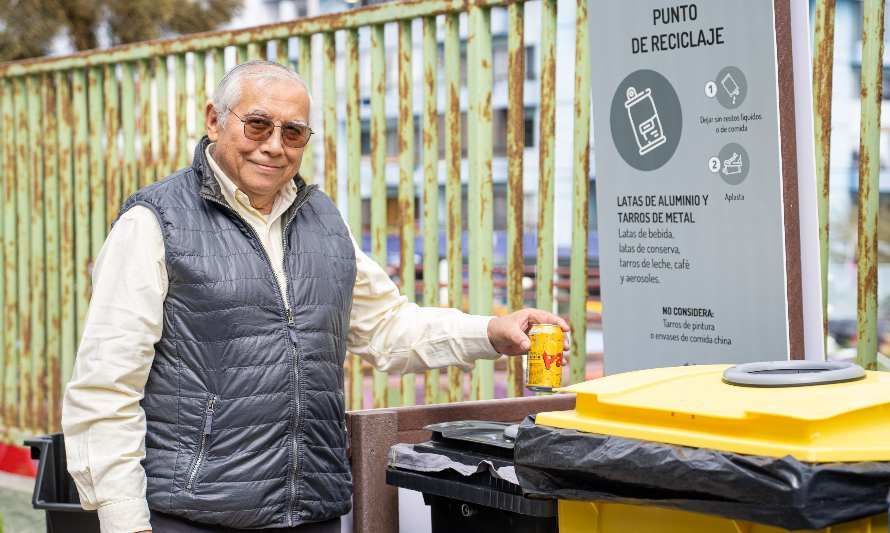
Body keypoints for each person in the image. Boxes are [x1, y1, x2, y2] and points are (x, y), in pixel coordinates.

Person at [61, 60, 569, 533]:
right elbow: (107, 388)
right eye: (257, 125)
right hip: (195, 514)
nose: (274, 145)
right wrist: (125, 521)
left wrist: (491, 332)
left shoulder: (323, 221)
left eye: (293, 132)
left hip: (312, 511)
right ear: (214, 121)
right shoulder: (153, 224)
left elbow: (388, 328)